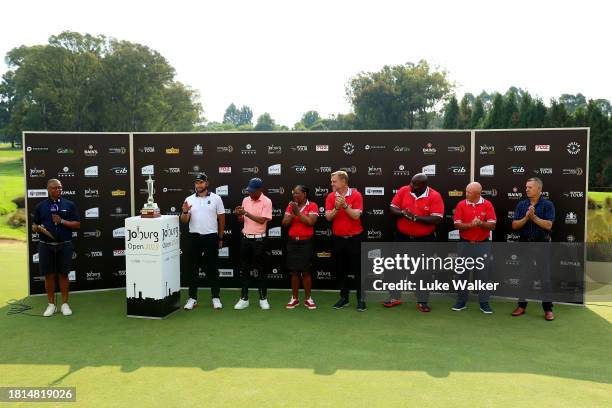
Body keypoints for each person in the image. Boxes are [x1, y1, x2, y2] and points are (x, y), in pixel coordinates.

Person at [388, 173, 444, 312]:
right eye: (411, 183)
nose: (411, 186)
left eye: (415, 185)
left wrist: (415, 218)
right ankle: (395, 297)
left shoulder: (434, 196)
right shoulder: (404, 190)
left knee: (423, 272)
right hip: (403, 237)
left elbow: (436, 219)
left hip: (424, 240)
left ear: (424, 186)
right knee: (397, 269)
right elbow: (392, 208)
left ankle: (422, 301)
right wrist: (403, 214)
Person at [32, 178, 80, 317]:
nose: (58, 190)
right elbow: (35, 226)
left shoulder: (69, 205)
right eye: (54, 188)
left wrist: (62, 221)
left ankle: (65, 304)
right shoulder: (40, 206)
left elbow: (77, 224)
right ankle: (51, 305)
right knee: (49, 276)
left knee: (64, 275)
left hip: (64, 245)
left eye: (60, 187)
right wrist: (35, 228)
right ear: (48, 189)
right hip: (45, 246)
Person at [511, 177, 556, 321]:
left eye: (530, 187)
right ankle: (521, 306)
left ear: (538, 189)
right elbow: (515, 226)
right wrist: (526, 218)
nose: (527, 189)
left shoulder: (548, 205)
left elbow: (548, 225)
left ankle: (548, 309)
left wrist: (534, 217)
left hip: (542, 244)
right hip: (525, 244)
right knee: (524, 276)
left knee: (545, 277)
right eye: (526, 187)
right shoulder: (521, 204)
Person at [180, 173, 225, 310]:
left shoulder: (216, 198)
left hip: (211, 236)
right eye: (196, 183)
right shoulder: (189, 199)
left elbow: (222, 218)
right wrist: (185, 212)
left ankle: (215, 297)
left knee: (213, 268)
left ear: (207, 183)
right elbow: (184, 221)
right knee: (192, 269)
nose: (198, 185)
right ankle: (192, 298)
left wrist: (221, 237)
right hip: (194, 237)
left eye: (201, 182)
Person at [451, 182, 496, 314]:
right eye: (466, 191)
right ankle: (461, 302)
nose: (466, 194)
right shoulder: (461, 204)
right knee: (462, 274)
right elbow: (457, 225)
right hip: (464, 244)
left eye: (469, 192)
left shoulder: (487, 204)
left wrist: (481, 223)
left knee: (483, 275)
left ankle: (484, 303)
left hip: (483, 245)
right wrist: (472, 225)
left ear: (477, 194)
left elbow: (492, 225)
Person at [325, 170, 366, 312]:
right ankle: (344, 298)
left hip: (355, 239)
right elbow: (328, 217)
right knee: (341, 270)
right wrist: (337, 207)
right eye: (332, 181)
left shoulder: (356, 195)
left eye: (334, 181)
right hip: (338, 239)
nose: (332, 183)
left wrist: (345, 205)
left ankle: (361, 299)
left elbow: (356, 216)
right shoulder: (330, 196)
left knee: (358, 271)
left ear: (344, 181)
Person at [233, 178, 273, 310]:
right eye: (249, 190)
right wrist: (239, 214)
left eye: (252, 191)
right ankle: (244, 298)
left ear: (260, 190)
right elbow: (242, 220)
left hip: (259, 241)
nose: (250, 193)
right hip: (245, 239)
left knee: (260, 270)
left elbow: (262, 220)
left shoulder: (267, 201)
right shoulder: (245, 200)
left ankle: (263, 298)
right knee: (244, 269)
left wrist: (246, 213)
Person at [281, 185, 319, 309]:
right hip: (292, 242)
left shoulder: (312, 205)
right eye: (293, 193)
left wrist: (298, 212)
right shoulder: (291, 206)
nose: (294, 195)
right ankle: (295, 298)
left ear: (304, 194)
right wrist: (292, 214)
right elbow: (285, 223)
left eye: (297, 193)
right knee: (294, 271)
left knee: (306, 271)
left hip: (306, 242)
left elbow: (311, 222)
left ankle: (308, 299)